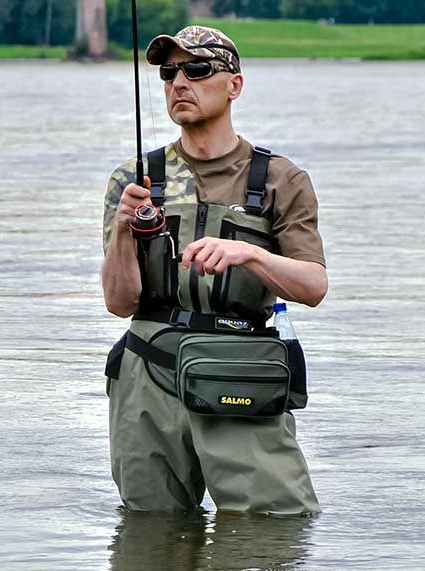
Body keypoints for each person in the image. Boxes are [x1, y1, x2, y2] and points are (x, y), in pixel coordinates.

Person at [101, 25, 326, 516]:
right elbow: (119, 303)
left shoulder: (280, 179)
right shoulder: (134, 179)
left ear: (234, 85)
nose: (180, 83)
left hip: (241, 371)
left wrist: (251, 254)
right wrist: (122, 230)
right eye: (169, 73)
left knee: (275, 525)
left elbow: (313, 286)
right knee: (148, 534)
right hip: (147, 372)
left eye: (198, 70)